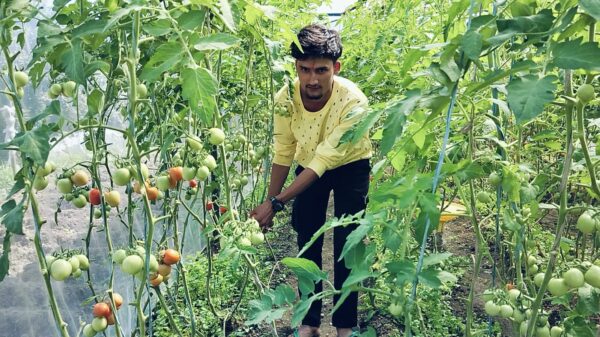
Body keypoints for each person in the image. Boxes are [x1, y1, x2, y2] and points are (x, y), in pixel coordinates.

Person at [250, 24, 372, 337]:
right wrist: (270, 199)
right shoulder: (285, 98)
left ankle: (345, 325)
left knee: (348, 240)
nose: (312, 79)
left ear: (336, 68)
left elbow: (324, 161)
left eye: (321, 70)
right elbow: (283, 150)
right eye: (304, 70)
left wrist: (277, 203)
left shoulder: (354, 102)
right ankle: (309, 321)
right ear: (296, 68)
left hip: (350, 164)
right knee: (307, 237)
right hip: (307, 164)